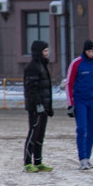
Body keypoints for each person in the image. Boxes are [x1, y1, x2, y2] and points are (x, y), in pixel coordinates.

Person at [65, 40, 93, 170]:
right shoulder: (77, 63)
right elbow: (69, 83)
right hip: (80, 100)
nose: (91, 53)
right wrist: (70, 104)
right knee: (82, 128)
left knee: (92, 129)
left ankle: (88, 158)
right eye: (89, 51)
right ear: (84, 51)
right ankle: (82, 158)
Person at [22, 41, 54, 172]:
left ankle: (38, 161)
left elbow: (46, 88)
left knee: (40, 135)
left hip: (44, 107)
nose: (47, 53)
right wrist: (38, 104)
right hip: (35, 108)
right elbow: (31, 89)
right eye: (45, 51)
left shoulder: (43, 65)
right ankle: (28, 162)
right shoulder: (33, 67)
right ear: (39, 52)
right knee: (33, 134)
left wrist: (48, 107)